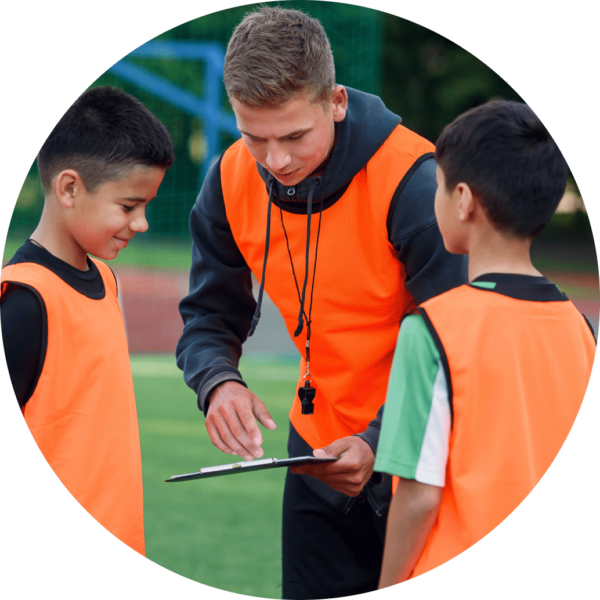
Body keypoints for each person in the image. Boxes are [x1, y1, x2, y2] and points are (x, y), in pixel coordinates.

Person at [176, 7, 466, 598]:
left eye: (293, 136)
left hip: (421, 465)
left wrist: (378, 443)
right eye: (253, 136)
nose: (275, 161)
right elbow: (208, 315)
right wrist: (217, 381)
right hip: (312, 460)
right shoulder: (230, 178)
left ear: (335, 101)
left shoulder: (415, 183)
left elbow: (463, 343)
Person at [374, 100, 597, 587]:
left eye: (435, 186)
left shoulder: (431, 328)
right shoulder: (581, 330)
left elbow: (419, 493)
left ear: (463, 200)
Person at [1, 85, 174, 556]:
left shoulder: (105, 277)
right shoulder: (23, 300)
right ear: (70, 188)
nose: (141, 224)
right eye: (129, 206)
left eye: (146, 207)